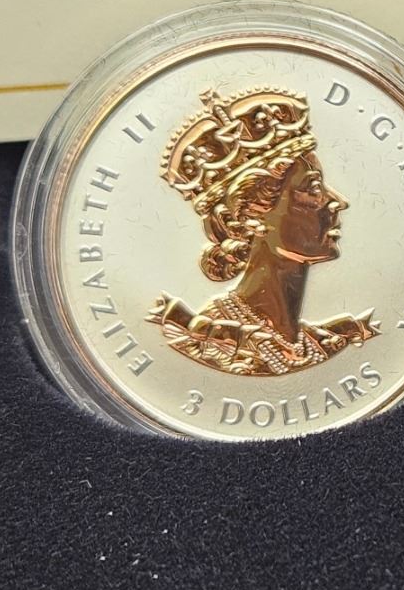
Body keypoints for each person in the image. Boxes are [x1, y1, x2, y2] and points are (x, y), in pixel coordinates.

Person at [149, 88, 379, 376]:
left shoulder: (316, 343)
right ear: (251, 218)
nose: (338, 202)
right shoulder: (211, 343)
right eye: (313, 188)